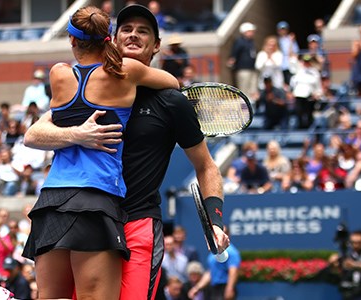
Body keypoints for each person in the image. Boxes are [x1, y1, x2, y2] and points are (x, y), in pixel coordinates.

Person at [23, 4, 228, 300]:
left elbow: (206, 166)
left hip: (136, 222)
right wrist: (76, 134)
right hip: (86, 211)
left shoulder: (172, 101)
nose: (133, 35)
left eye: (143, 31)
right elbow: (34, 133)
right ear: (112, 40)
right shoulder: (88, 86)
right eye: (126, 30)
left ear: (156, 46)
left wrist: (216, 221)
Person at [328, 230, 361, 300]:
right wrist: (333, 264)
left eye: (359, 243)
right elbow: (337, 272)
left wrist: (353, 265)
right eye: (353, 243)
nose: (356, 245)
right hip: (348, 295)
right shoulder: (346, 256)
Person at [291, 54, 322, 129]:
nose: (306, 63)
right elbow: (293, 82)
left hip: (309, 96)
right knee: (299, 112)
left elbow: (318, 86)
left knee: (309, 114)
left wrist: (317, 94)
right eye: (305, 61)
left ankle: (309, 130)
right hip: (299, 95)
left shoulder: (314, 73)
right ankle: (300, 128)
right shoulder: (299, 71)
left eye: (308, 61)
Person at [228, 22, 257, 98]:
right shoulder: (239, 41)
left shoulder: (251, 42)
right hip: (243, 69)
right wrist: (232, 62)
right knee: (244, 89)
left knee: (252, 89)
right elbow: (234, 54)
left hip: (252, 68)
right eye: (250, 31)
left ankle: (252, 106)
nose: (252, 33)